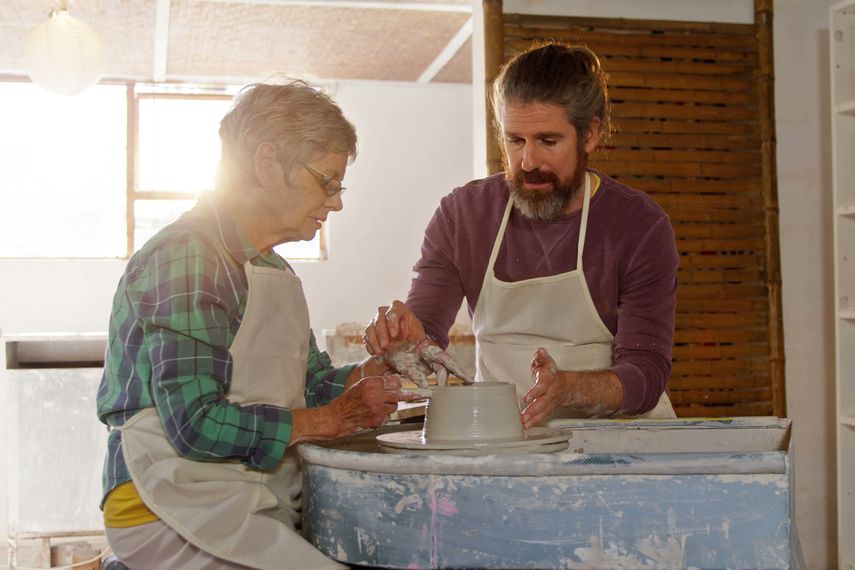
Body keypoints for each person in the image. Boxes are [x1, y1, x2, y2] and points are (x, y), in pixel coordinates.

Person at [95, 80, 413, 570]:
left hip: (244, 495)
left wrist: (377, 372)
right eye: (328, 181)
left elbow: (308, 384)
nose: (336, 202)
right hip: (166, 503)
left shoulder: (275, 272)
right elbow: (194, 425)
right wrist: (330, 421)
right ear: (267, 163)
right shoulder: (186, 257)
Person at [363, 42, 679, 429]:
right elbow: (426, 334)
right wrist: (403, 343)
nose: (528, 162)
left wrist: (569, 389)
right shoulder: (464, 215)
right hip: (506, 438)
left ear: (591, 135)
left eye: (548, 141)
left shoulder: (637, 225)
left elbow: (646, 372)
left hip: (617, 445)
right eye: (515, 141)